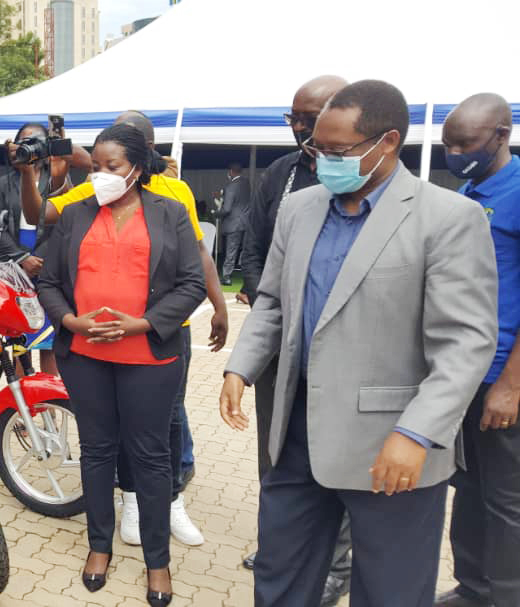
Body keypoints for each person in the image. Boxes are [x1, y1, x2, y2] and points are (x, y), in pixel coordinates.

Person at [220, 79, 498, 607]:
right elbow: (274, 300)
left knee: (390, 591)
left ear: (387, 142)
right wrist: (242, 367)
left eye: (337, 150)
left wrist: (416, 434)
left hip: (392, 447)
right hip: (296, 434)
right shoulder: (300, 209)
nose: (322, 159)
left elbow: (466, 343)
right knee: (279, 578)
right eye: (315, 149)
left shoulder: (446, 219)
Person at [23, 110, 226, 548]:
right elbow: (47, 249)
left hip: (156, 343)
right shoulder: (81, 208)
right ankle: (119, 519)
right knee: (100, 447)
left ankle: (167, 512)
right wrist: (71, 320)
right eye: (94, 165)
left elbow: (195, 264)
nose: (99, 175)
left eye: (109, 166)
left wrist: (208, 306)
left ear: (142, 158)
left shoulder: (173, 200)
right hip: (87, 352)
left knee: (161, 433)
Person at [237, 74, 354, 607]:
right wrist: (270, 307)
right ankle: (279, 548)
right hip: (282, 344)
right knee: (276, 453)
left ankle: (336, 563)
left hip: (343, 349)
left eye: (311, 117)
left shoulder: (358, 175)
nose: (301, 128)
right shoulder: (282, 174)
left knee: (338, 459)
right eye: (295, 118)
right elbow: (257, 252)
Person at [435, 93, 520, 607]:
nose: (454, 151)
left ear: (501, 135)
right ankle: (473, 586)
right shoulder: (470, 189)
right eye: (448, 142)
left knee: (505, 498)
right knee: (467, 488)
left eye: (464, 143)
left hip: (501, 374)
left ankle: (506, 595)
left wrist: (510, 386)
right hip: (464, 368)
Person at [0, 122, 60, 374]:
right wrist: (22, 259)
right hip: (17, 266)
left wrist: (43, 262)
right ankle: (21, 405)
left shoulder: (58, 178)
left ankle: (49, 398)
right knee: (19, 340)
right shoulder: (5, 183)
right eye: (24, 141)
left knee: (50, 340)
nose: (30, 146)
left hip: (49, 265)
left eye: (35, 140)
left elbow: (63, 227)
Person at [217, 163, 250, 285]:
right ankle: (247, 275)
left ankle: (226, 276)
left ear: (230, 171)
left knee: (231, 250)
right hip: (245, 221)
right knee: (245, 250)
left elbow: (227, 209)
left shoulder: (231, 186)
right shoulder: (246, 184)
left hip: (233, 223)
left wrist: (216, 213)